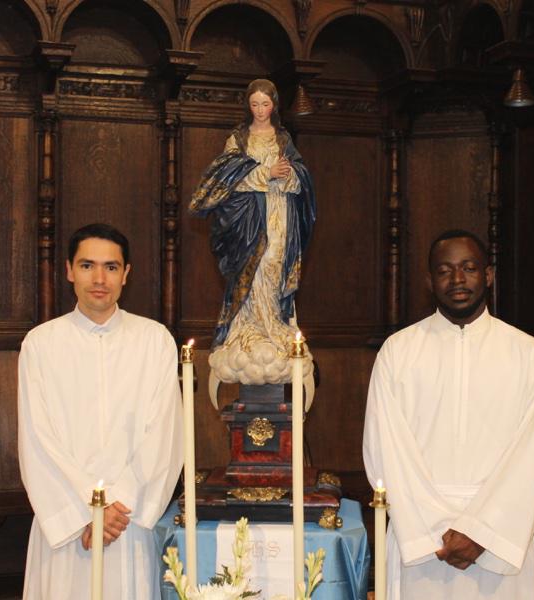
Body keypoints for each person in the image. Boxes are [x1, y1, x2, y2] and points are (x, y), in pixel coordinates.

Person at [362, 229, 534, 599]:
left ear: (488, 274)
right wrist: (434, 530)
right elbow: (385, 449)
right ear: (429, 280)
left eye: (469, 267)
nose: (457, 279)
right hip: (420, 542)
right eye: (445, 270)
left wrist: (482, 532)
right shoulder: (398, 352)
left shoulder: (527, 354)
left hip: (501, 542)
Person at [18, 223, 183, 600]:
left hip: (129, 524)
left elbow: (164, 436)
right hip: (65, 524)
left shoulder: (154, 341)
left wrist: (113, 512)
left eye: (110, 267)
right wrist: (87, 513)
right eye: (87, 265)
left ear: (126, 274)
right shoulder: (41, 345)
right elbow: (37, 438)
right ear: (69, 270)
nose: (99, 278)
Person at [190, 78, 316, 388]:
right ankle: (248, 325)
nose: (260, 110)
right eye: (254, 104)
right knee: (253, 264)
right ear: (249, 106)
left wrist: (288, 175)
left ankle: (271, 321)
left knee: (273, 261)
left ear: (274, 106)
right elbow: (227, 180)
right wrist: (265, 173)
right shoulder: (238, 139)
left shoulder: (283, 139)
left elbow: (302, 178)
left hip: (278, 213)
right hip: (248, 217)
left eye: (265, 104)